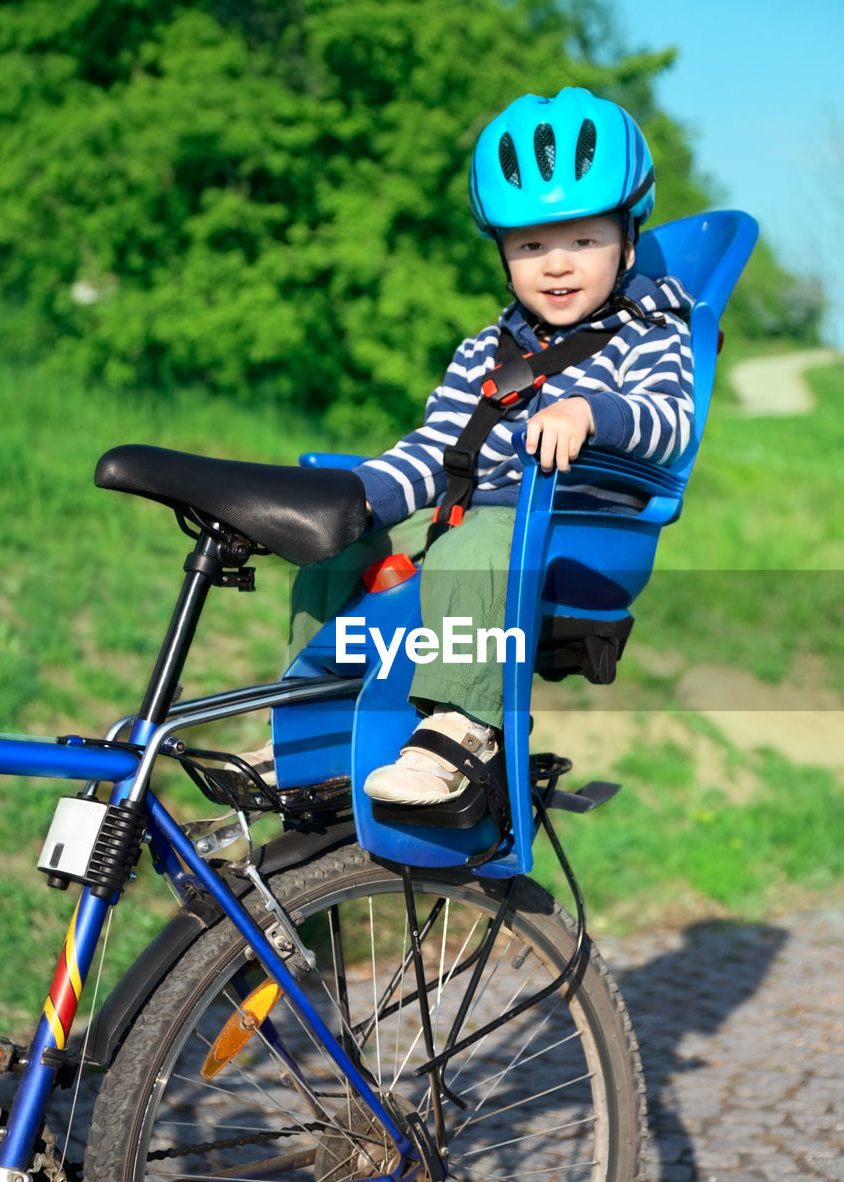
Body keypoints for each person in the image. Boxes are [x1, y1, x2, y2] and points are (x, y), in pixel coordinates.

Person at [288, 86, 695, 806]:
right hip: (474, 514)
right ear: (504, 254)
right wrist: (360, 499)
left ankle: (461, 731)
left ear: (628, 239)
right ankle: (312, 733)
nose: (558, 264)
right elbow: (438, 446)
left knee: (476, 545)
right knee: (337, 547)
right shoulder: (486, 348)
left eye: (583, 240)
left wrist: (592, 413)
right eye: (531, 245)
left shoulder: (651, 331)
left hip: (577, 529)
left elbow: (670, 422)